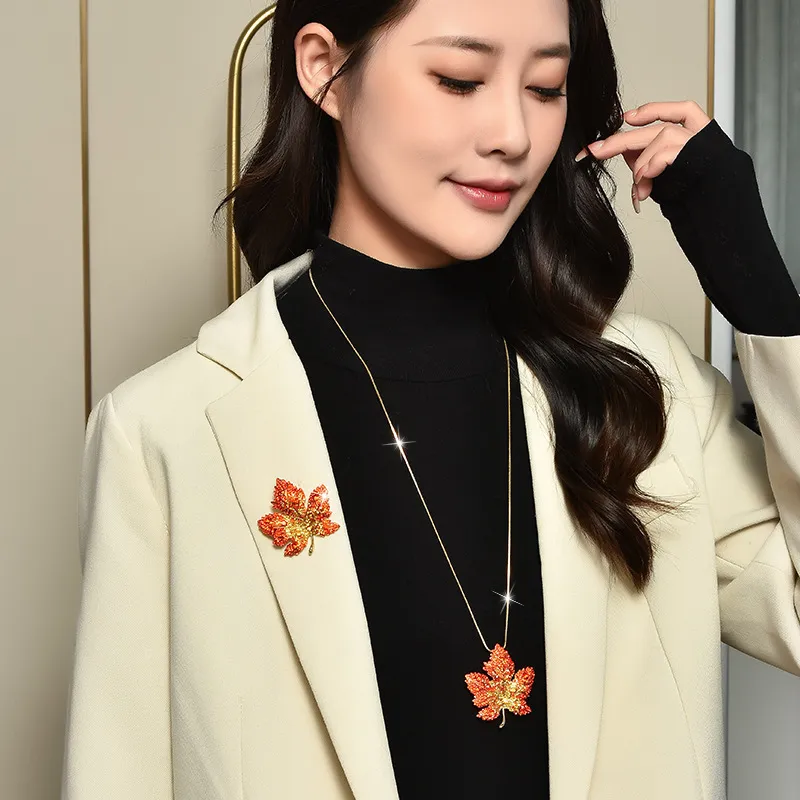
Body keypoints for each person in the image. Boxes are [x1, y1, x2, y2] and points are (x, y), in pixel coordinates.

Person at [61, 0, 800, 798]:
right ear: (324, 70)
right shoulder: (165, 431)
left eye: (546, 88)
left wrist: (758, 287)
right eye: (459, 79)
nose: (512, 134)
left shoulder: (644, 392)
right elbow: (118, 773)